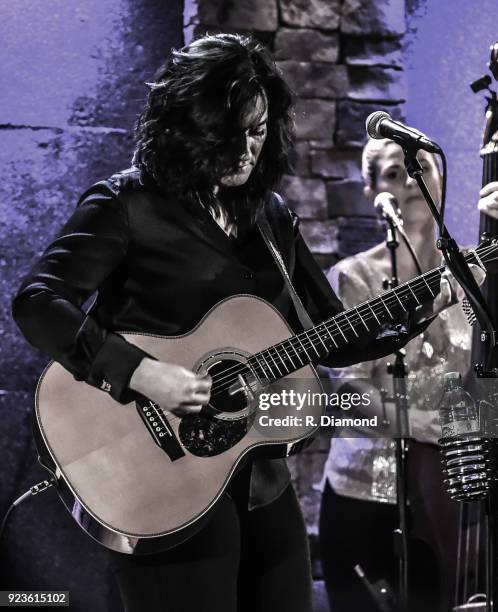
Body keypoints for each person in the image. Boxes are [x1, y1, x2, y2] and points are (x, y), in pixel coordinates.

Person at [12, 35, 456, 612]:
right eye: (232, 133)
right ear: (188, 126)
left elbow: (333, 334)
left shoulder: (268, 215)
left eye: (259, 130)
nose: (248, 150)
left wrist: (418, 310)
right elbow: (38, 301)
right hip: (159, 479)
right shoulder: (126, 204)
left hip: (258, 478)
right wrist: (142, 372)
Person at [318, 137, 483, 612]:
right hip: (366, 494)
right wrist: (421, 424)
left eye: (418, 168)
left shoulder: (472, 275)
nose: (408, 182)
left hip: (450, 500)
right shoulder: (352, 278)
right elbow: (344, 391)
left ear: (443, 178)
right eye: (391, 174)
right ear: (372, 193)